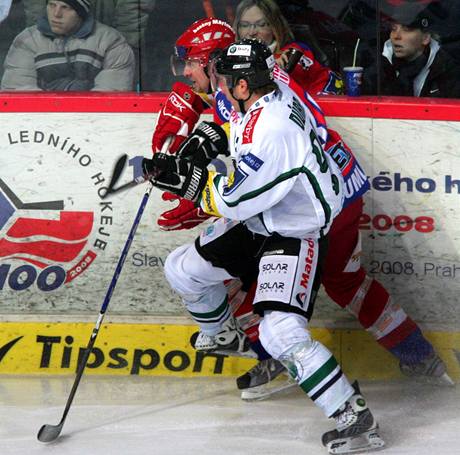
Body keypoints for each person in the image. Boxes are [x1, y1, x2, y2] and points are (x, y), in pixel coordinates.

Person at [152, 16, 452, 402]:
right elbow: (241, 135)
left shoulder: (240, 92)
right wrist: (209, 139)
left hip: (321, 199)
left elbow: (259, 162)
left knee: (301, 280)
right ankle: (413, 355)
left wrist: (201, 196)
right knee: (274, 278)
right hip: (319, 188)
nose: (187, 71)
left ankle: (396, 357)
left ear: (218, 65)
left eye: (192, 62)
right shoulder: (247, 83)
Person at [144, 38, 385, 454]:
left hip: (293, 232)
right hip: (263, 218)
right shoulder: (264, 88)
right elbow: (235, 129)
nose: (215, 84)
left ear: (242, 86)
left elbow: (235, 198)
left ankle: (353, 414)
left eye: (223, 79)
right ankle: (221, 335)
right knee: (182, 269)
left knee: (280, 331)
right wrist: (210, 140)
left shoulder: (273, 131)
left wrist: (183, 179)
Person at [1, 0, 135, 91]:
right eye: (52, 5)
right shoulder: (27, 41)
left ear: (81, 13)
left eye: (65, 7)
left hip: (94, 126)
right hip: (41, 128)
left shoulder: (111, 42)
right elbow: (18, 94)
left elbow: (111, 99)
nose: (56, 14)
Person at [233, 0, 343, 95]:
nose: (251, 32)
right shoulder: (230, 57)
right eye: (244, 25)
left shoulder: (293, 53)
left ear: (275, 27)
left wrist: (274, 67)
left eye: (261, 25)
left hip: (325, 109)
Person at [362, 2, 460, 97]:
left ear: (425, 38)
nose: (396, 36)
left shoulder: (448, 70)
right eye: (393, 28)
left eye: (406, 29)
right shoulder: (376, 64)